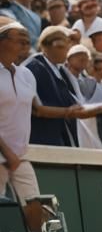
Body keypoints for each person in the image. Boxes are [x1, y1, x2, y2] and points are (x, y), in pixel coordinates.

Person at [0, 21, 85, 202]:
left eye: (26, 41)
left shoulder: (26, 75)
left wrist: (70, 112)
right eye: (19, 40)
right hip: (5, 154)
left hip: (20, 156)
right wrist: (7, 154)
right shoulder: (34, 68)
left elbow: (37, 109)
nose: (25, 45)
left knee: (37, 209)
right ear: (2, 42)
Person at [27, 26, 96, 146]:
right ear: (46, 46)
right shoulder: (36, 67)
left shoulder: (60, 70)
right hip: (41, 139)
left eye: (67, 46)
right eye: (61, 46)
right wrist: (68, 112)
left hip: (59, 137)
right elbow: (38, 109)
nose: (66, 50)